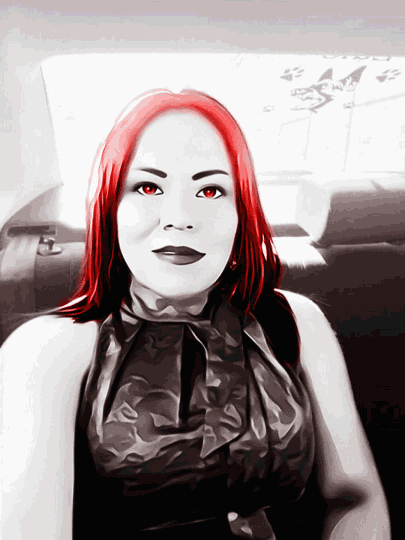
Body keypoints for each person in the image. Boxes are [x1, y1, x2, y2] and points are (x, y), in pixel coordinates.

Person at [1, 89, 390, 540]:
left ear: (240, 210)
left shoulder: (296, 321)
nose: (180, 217)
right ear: (110, 206)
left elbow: (355, 497)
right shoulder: (48, 351)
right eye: (149, 187)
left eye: (209, 190)